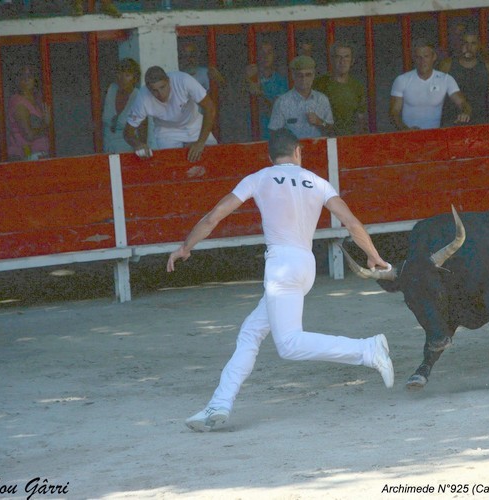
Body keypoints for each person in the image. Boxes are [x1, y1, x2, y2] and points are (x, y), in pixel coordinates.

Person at [167, 128, 395, 432]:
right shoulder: (317, 182)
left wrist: (186, 247)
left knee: (288, 344)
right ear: (298, 152)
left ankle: (367, 349)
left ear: (269, 156)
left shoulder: (259, 177)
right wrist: (373, 255)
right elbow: (352, 222)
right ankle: (219, 404)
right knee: (251, 332)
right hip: (305, 264)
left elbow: (214, 216)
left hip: (281, 267)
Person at [124, 66, 217, 162]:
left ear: (168, 81)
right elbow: (127, 133)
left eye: (162, 87)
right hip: (167, 132)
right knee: (174, 166)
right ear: (148, 88)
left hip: (194, 124)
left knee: (213, 157)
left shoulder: (184, 80)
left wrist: (201, 142)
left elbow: (210, 108)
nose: (161, 94)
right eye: (155, 90)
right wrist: (138, 144)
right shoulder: (142, 98)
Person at [389, 39, 471, 131]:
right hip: (408, 137)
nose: (422, 61)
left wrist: (465, 113)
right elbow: (394, 113)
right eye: (418, 57)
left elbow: (462, 103)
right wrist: (405, 129)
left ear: (434, 57)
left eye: (426, 56)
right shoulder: (402, 80)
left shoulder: (446, 79)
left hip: (435, 137)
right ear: (414, 58)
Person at [438, 31, 489, 125]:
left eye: (473, 43)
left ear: (478, 46)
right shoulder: (447, 65)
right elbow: (437, 95)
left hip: (480, 123)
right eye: (465, 43)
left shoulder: (487, 67)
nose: (468, 47)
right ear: (459, 45)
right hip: (452, 123)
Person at [268, 55, 334, 138]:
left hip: (319, 149)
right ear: (293, 76)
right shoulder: (282, 102)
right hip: (293, 149)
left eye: (308, 75)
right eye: (300, 75)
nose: (304, 79)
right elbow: (274, 133)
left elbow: (331, 130)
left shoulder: (322, 99)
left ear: (313, 76)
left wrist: (319, 122)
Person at [312, 41, 368, 136]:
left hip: (349, 140)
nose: (343, 61)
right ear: (331, 60)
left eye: (346, 57)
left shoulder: (357, 86)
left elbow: (361, 119)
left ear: (352, 61)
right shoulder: (319, 84)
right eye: (338, 57)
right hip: (323, 139)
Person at [244, 41, 289, 140]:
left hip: (274, 138)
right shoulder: (247, 79)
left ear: (274, 55)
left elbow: (278, 112)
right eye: (262, 53)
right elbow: (233, 107)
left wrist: (259, 94)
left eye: (269, 52)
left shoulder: (281, 81)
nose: (265, 56)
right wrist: (246, 81)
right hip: (250, 136)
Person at [6, 65, 50, 161]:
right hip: (26, 158)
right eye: (22, 76)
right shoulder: (18, 102)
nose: (26, 79)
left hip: (39, 156)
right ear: (16, 80)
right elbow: (29, 135)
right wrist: (46, 124)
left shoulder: (37, 99)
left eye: (30, 75)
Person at [102, 58, 146, 154]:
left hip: (127, 152)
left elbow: (142, 135)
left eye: (127, 75)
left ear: (135, 78)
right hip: (106, 148)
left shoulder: (139, 98)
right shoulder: (110, 90)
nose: (122, 79)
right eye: (119, 73)